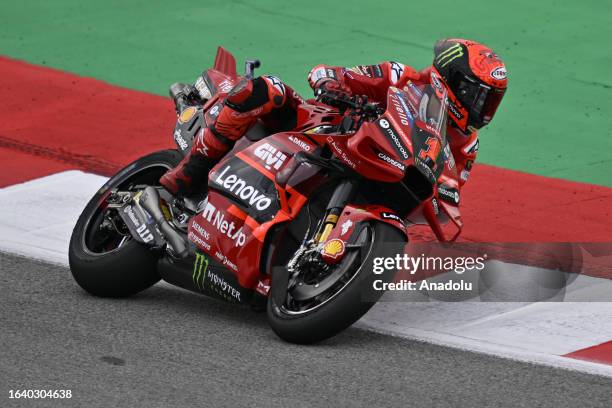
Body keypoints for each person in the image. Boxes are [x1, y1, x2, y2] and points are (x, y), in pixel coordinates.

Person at [160, 38, 507, 196]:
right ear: (453, 79)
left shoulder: (467, 144)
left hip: (377, 176)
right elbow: (333, 73)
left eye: (491, 100)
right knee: (269, 89)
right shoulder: (402, 77)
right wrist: (330, 83)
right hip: (319, 130)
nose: (483, 107)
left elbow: (451, 187)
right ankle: (190, 172)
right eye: (479, 95)